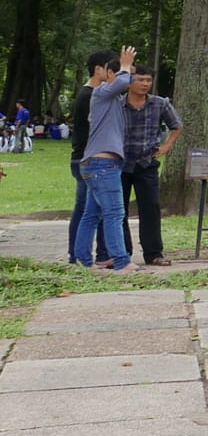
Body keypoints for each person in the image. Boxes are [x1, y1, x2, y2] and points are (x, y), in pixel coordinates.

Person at [73, 44, 136, 271]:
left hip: (98, 164)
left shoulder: (110, 100)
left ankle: (83, 259)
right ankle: (121, 260)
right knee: (114, 213)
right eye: (122, 72)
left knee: (92, 213)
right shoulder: (101, 93)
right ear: (109, 74)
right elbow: (121, 82)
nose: (128, 78)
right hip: (103, 164)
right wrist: (125, 65)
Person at [120, 65, 182, 267]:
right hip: (120, 163)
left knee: (151, 208)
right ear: (130, 81)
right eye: (140, 80)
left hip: (146, 163)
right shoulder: (118, 104)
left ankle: (154, 253)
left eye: (148, 80)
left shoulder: (160, 103)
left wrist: (166, 146)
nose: (145, 84)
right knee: (118, 210)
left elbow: (176, 125)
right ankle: (122, 252)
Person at [66, 51, 119, 264]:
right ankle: (78, 255)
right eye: (110, 67)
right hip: (88, 159)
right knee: (86, 211)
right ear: (98, 69)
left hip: (87, 158)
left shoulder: (92, 94)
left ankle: (94, 255)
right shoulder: (90, 96)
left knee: (92, 210)